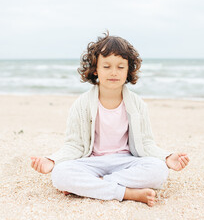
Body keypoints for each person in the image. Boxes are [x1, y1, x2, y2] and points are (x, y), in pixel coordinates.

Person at [30, 31, 189, 207]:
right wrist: (52, 160)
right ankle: (127, 193)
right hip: (91, 162)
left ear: (128, 70)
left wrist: (166, 158)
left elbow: (146, 143)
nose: (113, 72)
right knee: (60, 174)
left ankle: (94, 184)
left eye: (120, 67)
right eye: (106, 66)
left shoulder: (137, 104)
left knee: (159, 171)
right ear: (95, 69)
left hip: (126, 162)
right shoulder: (81, 104)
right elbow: (73, 145)